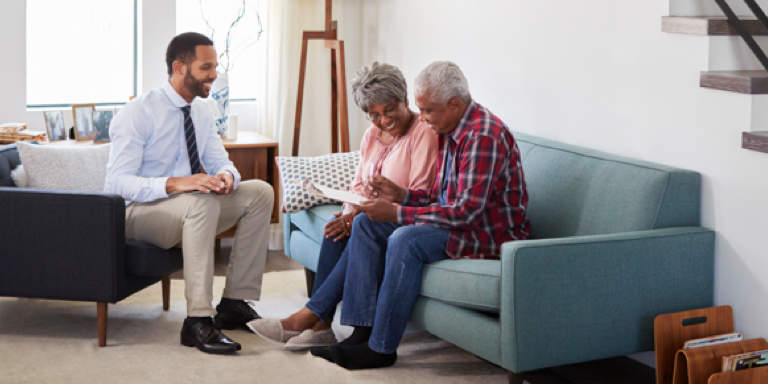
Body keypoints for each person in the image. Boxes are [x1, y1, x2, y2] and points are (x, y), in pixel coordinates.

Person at [309, 61, 531, 369]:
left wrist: (399, 212)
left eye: (427, 111)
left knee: (406, 239)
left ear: (454, 104)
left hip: (488, 234)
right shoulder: (452, 130)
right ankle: (361, 332)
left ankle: (381, 349)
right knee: (366, 222)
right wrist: (401, 195)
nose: (423, 118)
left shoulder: (482, 136)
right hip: (461, 223)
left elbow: (465, 212)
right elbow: (441, 198)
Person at [104, 32, 274, 355]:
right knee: (199, 202)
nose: (214, 75)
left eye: (215, 67)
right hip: (140, 213)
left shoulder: (201, 111)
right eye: (206, 67)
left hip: (190, 207)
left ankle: (234, 302)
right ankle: (197, 320)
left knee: (260, 192)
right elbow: (116, 182)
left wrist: (226, 176)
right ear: (180, 67)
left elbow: (221, 161)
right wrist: (175, 183)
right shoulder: (139, 112)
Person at [248, 62, 439, 350]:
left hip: (405, 218)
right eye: (374, 115)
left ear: (404, 100)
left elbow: (421, 191)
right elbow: (359, 185)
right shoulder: (371, 137)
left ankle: (310, 316)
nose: (383, 120)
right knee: (336, 228)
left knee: (359, 225)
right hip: (370, 215)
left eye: (389, 110)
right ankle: (322, 327)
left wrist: (361, 213)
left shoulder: (423, 132)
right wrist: (350, 211)